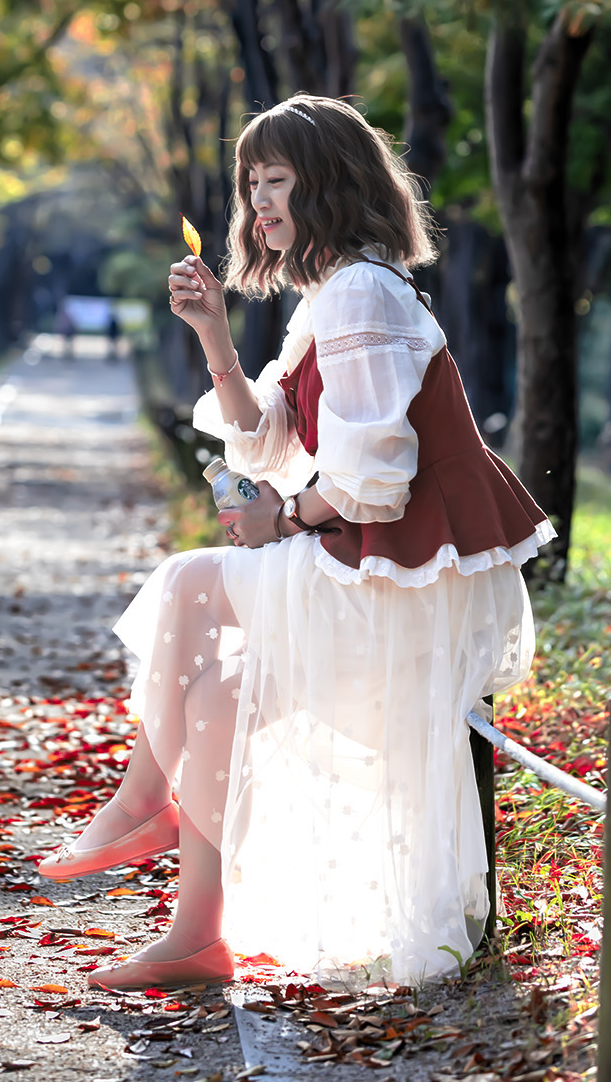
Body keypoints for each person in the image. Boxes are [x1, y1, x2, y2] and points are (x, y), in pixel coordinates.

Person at [38, 95, 552, 992]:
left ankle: (141, 798)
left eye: (278, 180)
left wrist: (282, 521)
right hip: (380, 570)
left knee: (189, 583)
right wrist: (213, 335)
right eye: (253, 184)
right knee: (216, 699)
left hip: (403, 585)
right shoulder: (332, 295)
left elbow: (373, 476)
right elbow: (269, 440)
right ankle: (196, 936)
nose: (260, 201)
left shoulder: (362, 294)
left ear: (330, 184)